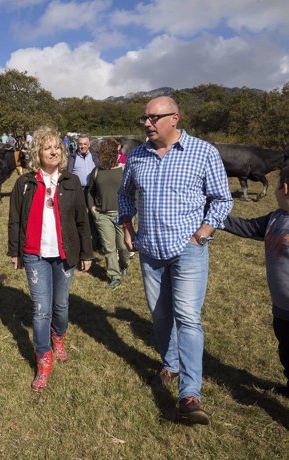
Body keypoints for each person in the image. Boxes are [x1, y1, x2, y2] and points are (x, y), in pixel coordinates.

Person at [117, 96, 233, 425]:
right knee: (160, 315)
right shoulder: (138, 155)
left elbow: (222, 198)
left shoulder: (203, 152)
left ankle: (189, 393)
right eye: (145, 118)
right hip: (150, 249)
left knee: (188, 318)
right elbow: (125, 193)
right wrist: (127, 225)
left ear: (175, 118)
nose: (147, 123)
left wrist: (202, 233)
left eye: (154, 118)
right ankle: (170, 364)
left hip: (189, 249)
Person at [8, 126, 94, 392]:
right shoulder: (25, 184)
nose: (54, 151)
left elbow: (82, 220)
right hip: (35, 254)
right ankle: (43, 359)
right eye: (48, 147)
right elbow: (15, 219)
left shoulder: (71, 183)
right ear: (38, 153)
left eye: (57, 147)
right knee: (40, 309)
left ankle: (59, 337)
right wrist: (15, 251)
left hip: (65, 254)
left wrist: (87, 253)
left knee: (61, 307)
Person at [222, 166, 289, 398]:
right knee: (286, 349)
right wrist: (216, 217)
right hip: (281, 308)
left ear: (285, 188)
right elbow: (248, 227)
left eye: (277, 185)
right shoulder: (275, 218)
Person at [87, 138, 130, 290]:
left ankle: (124, 265)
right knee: (109, 247)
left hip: (122, 215)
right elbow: (90, 192)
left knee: (123, 246)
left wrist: (132, 212)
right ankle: (115, 276)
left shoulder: (124, 169)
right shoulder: (97, 171)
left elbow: (132, 193)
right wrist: (92, 209)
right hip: (102, 215)